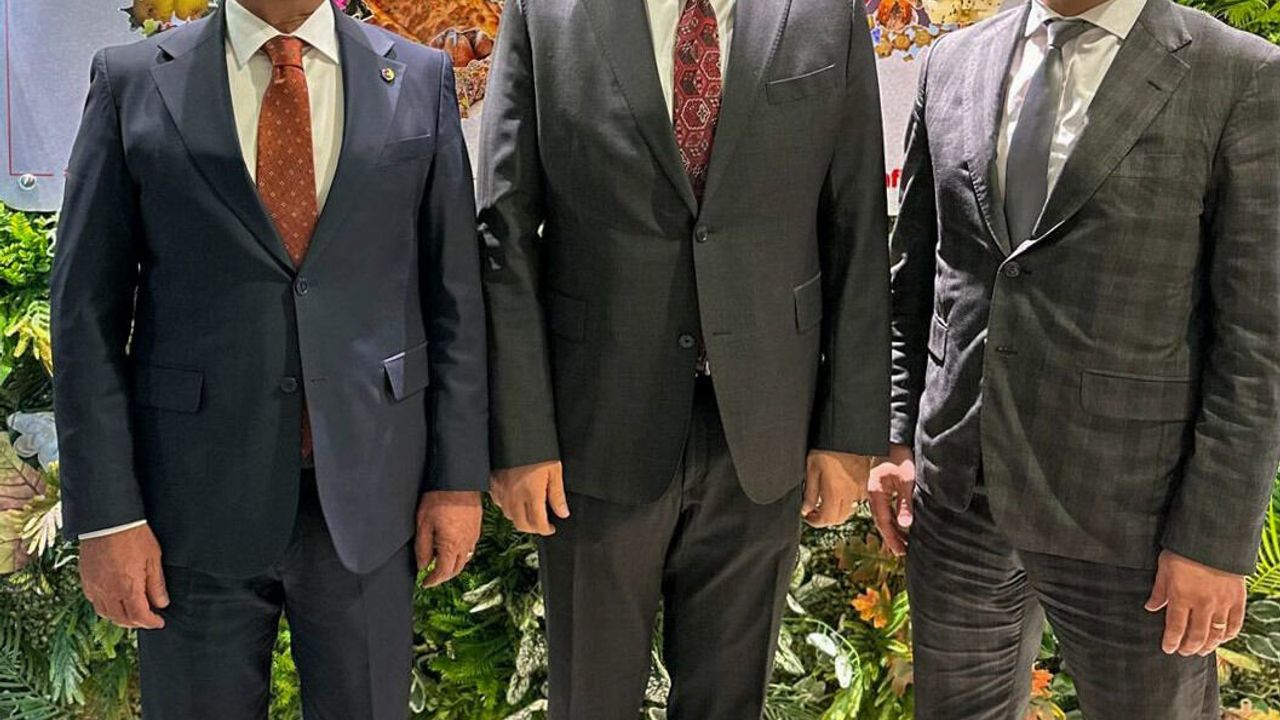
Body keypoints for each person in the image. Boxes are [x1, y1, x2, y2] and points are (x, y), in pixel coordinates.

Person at [50, 0, 489, 717]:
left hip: (372, 495)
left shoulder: (417, 75)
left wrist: (457, 480)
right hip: (190, 505)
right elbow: (85, 316)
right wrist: (107, 517)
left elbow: (455, 295)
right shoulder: (133, 81)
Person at [478, 0, 891, 717]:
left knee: (729, 703)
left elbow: (857, 224)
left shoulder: (825, 15)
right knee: (590, 701)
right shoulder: (545, 14)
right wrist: (521, 433)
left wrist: (848, 430)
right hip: (595, 429)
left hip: (764, 430)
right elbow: (503, 232)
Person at [873, 0, 1280, 715]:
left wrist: (1214, 541)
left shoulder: (1238, 75)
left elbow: (1258, 337)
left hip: (1136, 519)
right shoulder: (953, 62)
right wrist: (897, 432)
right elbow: (918, 275)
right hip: (956, 498)